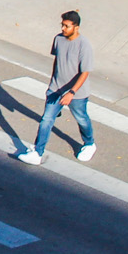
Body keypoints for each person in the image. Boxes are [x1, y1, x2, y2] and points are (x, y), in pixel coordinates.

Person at [18, 9, 95, 165]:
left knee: (82, 119)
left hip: (76, 94)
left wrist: (71, 92)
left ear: (76, 27)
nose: (63, 29)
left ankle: (89, 144)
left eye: (67, 26)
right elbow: (58, 62)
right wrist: (51, 85)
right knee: (46, 120)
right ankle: (37, 153)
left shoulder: (84, 46)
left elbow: (84, 73)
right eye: (62, 25)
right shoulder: (58, 39)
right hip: (56, 89)